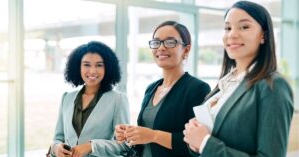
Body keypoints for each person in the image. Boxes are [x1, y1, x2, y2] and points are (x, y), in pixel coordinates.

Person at [183, 1, 294, 157]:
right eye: (228, 28)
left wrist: (205, 143)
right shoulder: (225, 85)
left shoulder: (273, 85)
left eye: (244, 27)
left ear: (264, 35)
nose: (232, 34)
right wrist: (195, 143)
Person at [115, 21, 211, 157]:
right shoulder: (151, 89)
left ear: (186, 49)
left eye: (170, 42)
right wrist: (130, 133)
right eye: (156, 42)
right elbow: (145, 139)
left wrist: (153, 135)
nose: (161, 48)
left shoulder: (198, 89)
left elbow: (197, 145)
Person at [50, 41, 130, 157]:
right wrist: (56, 148)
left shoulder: (118, 100)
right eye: (86, 65)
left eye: (99, 65)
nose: (92, 71)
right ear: (78, 67)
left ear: (107, 68)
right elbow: (58, 138)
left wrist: (91, 146)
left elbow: (124, 145)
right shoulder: (67, 98)